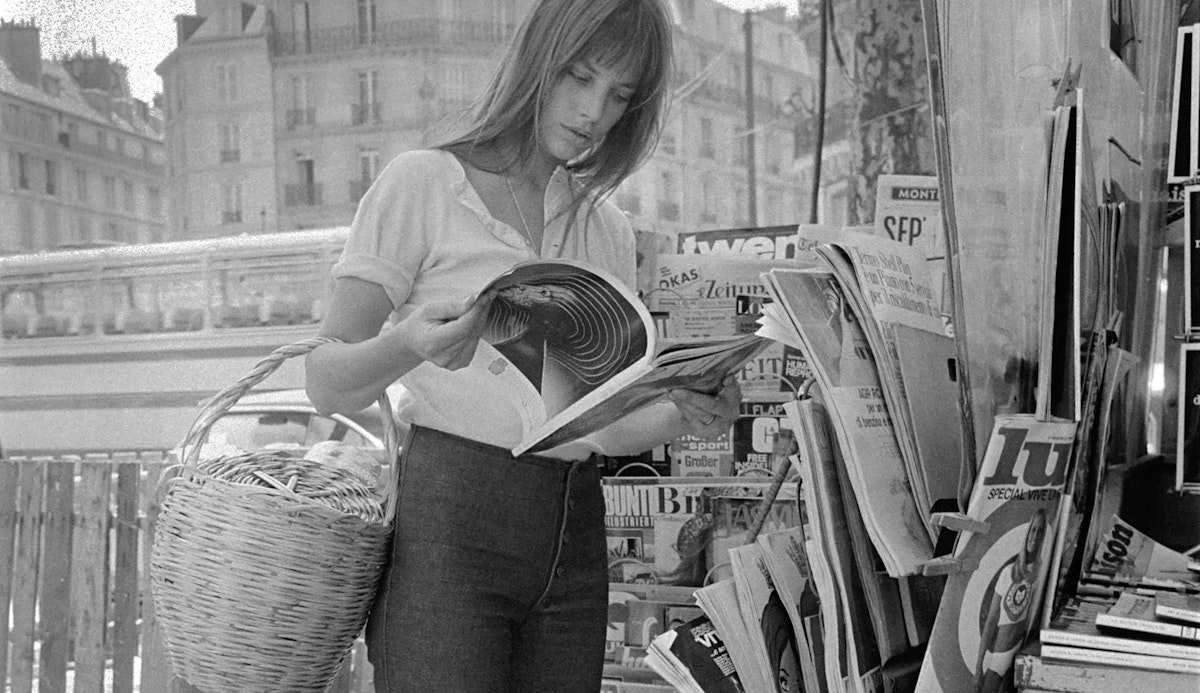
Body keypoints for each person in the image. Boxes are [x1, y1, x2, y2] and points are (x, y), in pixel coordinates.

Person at [304, 1, 740, 690]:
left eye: (620, 95)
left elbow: (605, 421)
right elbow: (327, 380)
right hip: (452, 524)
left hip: (572, 529)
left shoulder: (605, 227)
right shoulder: (425, 183)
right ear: (538, 57)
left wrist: (687, 407)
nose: (594, 111)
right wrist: (410, 344)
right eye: (579, 76)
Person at [973, 508, 1049, 693]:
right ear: (1027, 533)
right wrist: (978, 669)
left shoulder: (1042, 570)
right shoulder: (1008, 573)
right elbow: (992, 620)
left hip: (1025, 646)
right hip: (1003, 649)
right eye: (1033, 530)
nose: (1035, 536)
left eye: (1040, 531)